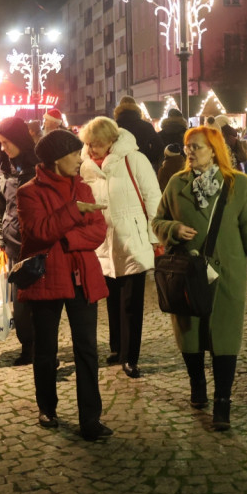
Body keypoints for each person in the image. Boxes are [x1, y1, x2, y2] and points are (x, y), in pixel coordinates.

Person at [151, 126, 247, 431]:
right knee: (190, 336)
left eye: (197, 147)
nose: (190, 152)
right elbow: (157, 220)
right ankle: (197, 383)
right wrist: (172, 229)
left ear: (214, 150)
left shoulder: (237, 184)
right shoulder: (177, 183)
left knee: (225, 338)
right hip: (187, 274)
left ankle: (222, 403)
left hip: (226, 273)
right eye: (188, 146)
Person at [17, 129, 113, 441]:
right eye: (75, 153)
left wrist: (69, 237)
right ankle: (47, 406)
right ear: (58, 158)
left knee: (87, 349)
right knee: (45, 349)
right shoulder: (29, 192)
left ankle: (91, 419)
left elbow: (98, 230)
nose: (81, 159)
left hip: (83, 277)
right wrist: (74, 212)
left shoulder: (83, 188)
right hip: (47, 278)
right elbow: (39, 231)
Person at [79, 117, 161, 378]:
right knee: (111, 300)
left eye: (97, 145)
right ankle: (116, 349)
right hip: (102, 244)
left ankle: (131, 356)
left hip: (132, 240)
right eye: (89, 145)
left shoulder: (134, 160)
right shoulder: (86, 166)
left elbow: (153, 198)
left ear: (111, 141)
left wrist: (154, 236)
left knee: (132, 303)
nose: (92, 150)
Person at [0, 117, 39, 366]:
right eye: (0, 143)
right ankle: (28, 347)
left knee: (39, 298)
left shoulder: (39, 163)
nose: (3, 148)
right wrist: (0, 234)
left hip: (37, 239)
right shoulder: (1, 164)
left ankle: (43, 347)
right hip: (12, 239)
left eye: (7, 142)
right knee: (19, 299)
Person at [114, 96, 164, 169]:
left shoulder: (114, 127)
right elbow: (159, 146)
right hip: (142, 165)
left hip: (119, 166)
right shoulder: (146, 126)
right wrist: (148, 157)